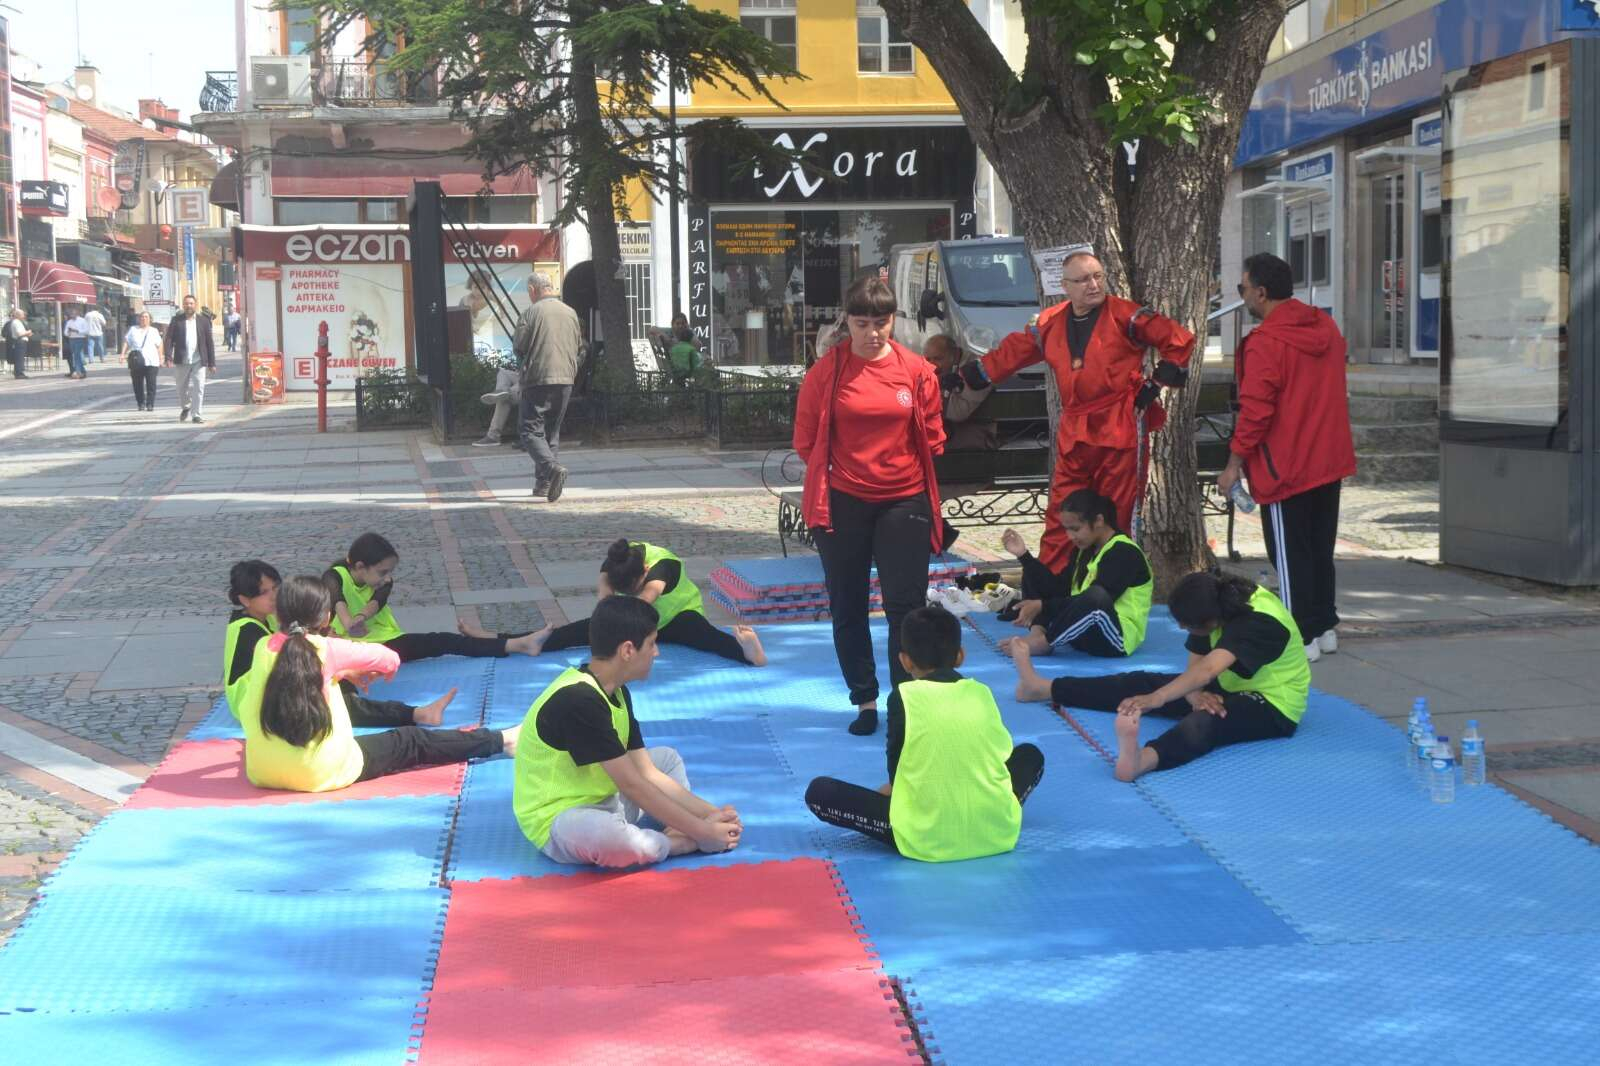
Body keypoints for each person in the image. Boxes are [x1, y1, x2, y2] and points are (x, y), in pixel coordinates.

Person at [948, 250, 1194, 572]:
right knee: (1063, 511)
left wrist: (1156, 383)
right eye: (1083, 280)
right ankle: (1053, 585)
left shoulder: (1127, 315)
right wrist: (967, 376)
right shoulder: (1049, 322)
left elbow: (1178, 339)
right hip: (1075, 429)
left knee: (1116, 512)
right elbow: (1013, 352)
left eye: (1098, 277)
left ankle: (1113, 583)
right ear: (1065, 286)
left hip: (1118, 426)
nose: (1093, 285)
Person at [793, 275, 948, 737]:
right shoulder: (827, 372)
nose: (872, 333)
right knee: (848, 602)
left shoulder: (917, 371)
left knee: (906, 605)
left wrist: (893, 466)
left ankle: (906, 700)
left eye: (881, 323)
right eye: (862, 324)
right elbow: (805, 441)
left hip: (904, 498)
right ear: (848, 322)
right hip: (843, 501)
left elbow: (934, 437)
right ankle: (864, 699)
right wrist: (848, 471)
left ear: (893, 321)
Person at [1013, 570, 1310, 782]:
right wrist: (1193, 693)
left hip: (1274, 704)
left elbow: (1207, 669)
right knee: (1140, 683)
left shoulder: (1257, 621)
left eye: (1187, 626)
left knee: (1207, 720)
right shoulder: (1213, 599)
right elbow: (1198, 664)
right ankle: (1042, 688)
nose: (1182, 630)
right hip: (1228, 682)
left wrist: (1157, 699)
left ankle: (1142, 760)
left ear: (1211, 620)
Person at [512, 595, 743, 868]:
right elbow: (632, 784)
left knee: (666, 759)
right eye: (652, 644)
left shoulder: (617, 691)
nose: (656, 653)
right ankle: (676, 843)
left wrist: (714, 814)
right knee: (612, 838)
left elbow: (647, 773)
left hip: (607, 799)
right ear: (628, 650)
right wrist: (703, 834)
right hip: (563, 819)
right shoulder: (579, 700)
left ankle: (678, 828)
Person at [804, 606, 1044, 861]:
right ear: (960, 656)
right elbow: (997, 758)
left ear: (905, 661)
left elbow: (897, 775)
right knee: (1031, 755)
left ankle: (930, 827)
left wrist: (881, 797)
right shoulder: (981, 692)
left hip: (924, 837)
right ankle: (990, 814)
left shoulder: (903, 697)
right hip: (996, 831)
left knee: (821, 793)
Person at [234, 576, 515, 794]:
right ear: (326, 617)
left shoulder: (262, 647)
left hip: (261, 772)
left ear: (278, 616)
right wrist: (346, 667)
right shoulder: (327, 648)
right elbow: (389, 659)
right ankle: (501, 740)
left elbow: (295, 675)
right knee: (411, 740)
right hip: (321, 772)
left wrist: (341, 672)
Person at [1221, 252, 1357, 664]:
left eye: (1243, 288)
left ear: (1261, 292)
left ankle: (1302, 633)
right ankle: (1324, 625)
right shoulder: (1325, 326)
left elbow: (1256, 411)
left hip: (1286, 464)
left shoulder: (1265, 342)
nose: (1242, 295)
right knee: (1318, 548)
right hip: (1327, 457)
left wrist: (1233, 464)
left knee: (1289, 552)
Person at [462, 538, 767, 666]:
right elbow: (605, 604)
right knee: (574, 631)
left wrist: (641, 635)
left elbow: (643, 604)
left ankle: (750, 654)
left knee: (707, 637)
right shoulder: (616, 562)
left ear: (645, 571)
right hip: (636, 621)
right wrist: (602, 628)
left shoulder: (663, 567)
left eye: (633, 588)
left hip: (678, 618)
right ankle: (510, 640)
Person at [323, 532, 546, 662]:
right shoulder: (334, 576)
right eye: (382, 572)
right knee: (444, 641)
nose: (387, 577)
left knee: (445, 641)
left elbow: (376, 603)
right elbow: (338, 600)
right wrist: (351, 623)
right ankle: (518, 644)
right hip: (357, 651)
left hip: (383, 644)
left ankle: (516, 643)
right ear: (360, 566)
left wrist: (360, 618)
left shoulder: (384, 582)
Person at [996, 490, 1152, 659]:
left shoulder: (1124, 552)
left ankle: (1044, 643)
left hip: (1113, 640)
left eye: (1076, 529)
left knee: (1096, 596)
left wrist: (1043, 606)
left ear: (1099, 521)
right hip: (1079, 633)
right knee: (1034, 575)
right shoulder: (1083, 550)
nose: (1070, 536)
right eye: (1067, 529)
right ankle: (1037, 631)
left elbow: (1098, 601)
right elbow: (1057, 588)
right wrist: (1024, 556)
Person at [513, 271, 584, 500]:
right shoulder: (570, 312)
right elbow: (579, 346)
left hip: (538, 377)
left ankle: (551, 470)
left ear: (532, 290)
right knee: (551, 432)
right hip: (566, 379)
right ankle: (543, 484)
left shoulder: (531, 312)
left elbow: (520, 346)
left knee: (530, 430)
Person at [923, 334, 995, 451]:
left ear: (955, 354)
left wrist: (931, 396)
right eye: (928, 360)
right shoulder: (940, 370)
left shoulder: (976, 370)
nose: (932, 365)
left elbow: (958, 413)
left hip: (976, 435)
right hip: (950, 431)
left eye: (938, 359)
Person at [163, 295, 216, 424]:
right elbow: (169, 339)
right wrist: (168, 356)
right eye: (186, 304)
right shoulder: (176, 320)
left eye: (191, 303)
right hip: (182, 359)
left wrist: (212, 363)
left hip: (199, 360)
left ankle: (196, 414)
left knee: (199, 387)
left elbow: (209, 342)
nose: (189, 306)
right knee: (181, 388)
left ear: (195, 305)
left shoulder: (203, 321)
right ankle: (186, 406)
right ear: (183, 305)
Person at [123, 311, 163, 412]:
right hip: (136, 361)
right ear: (139, 318)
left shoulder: (154, 331)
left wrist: (160, 358)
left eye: (146, 317)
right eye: (142, 317)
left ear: (150, 319)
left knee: (151, 384)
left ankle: (150, 404)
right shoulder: (133, 329)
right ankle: (140, 403)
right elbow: (127, 342)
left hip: (151, 361)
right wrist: (122, 354)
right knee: (137, 384)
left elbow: (159, 345)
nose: (143, 319)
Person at [63, 307, 90, 379]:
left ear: (77, 314)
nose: (72, 316)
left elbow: (86, 331)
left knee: (76, 355)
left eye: (74, 314)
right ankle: (83, 371)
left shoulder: (82, 321)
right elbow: (65, 332)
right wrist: (68, 333)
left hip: (79, 339)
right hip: (71, 339)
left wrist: (77, 331)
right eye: (71, 314)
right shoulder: (69, 322)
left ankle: (78, 372)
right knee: (75, 355)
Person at [4, 309, 31, 379]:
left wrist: (27, 334)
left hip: (21, 341)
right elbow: (19, 334)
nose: (24, 316)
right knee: (19, 358)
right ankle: (19, 373)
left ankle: (18, 372)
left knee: (20, 357)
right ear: (18, 315)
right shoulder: (16, 322)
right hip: (19, 342)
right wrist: (28, 332)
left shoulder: (19, 322)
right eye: (22, 314)